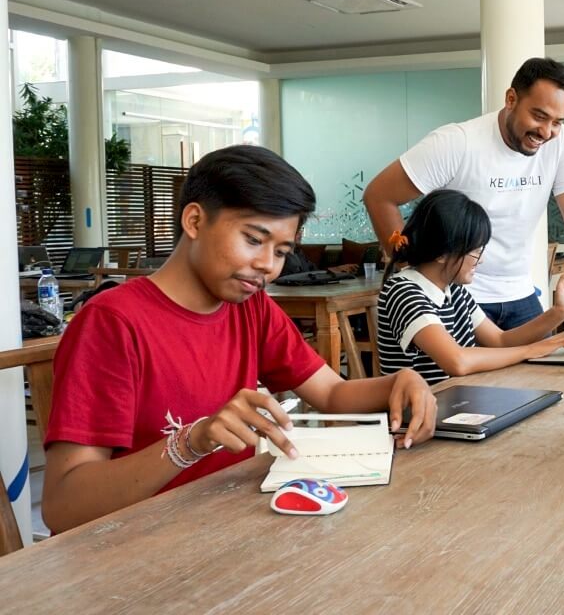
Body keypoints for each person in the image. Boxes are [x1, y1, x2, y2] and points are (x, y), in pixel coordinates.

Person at [42, 145, 437, 533]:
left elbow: (331, 393)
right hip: (141, 551)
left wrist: (398, 383)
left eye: (282, 251)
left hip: (232, 530)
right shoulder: (112, 323)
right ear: (194, 221)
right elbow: (64, 507)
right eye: (253, 239)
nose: (268, 265)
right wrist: (190, 441)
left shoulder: (250, 307)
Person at [363, 57, 564, 331]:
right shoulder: (457, 143)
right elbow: (379, 196)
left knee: (547, 371)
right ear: (511, 99)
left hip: (520, 295)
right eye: (539, 116)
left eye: (557, 122)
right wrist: (409, 267)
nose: (546, 132)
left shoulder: (561, 144)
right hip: (458, 298)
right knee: (470, 375)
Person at [377, 189, 564, 382]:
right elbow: (457, 361)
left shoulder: (453, 289)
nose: (480, 260)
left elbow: (500, 340)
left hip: (459, 402)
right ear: (443, 254)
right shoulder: (404, 291)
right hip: (422, 419)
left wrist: (560, 312)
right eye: (475, 251)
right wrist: (530, 350)